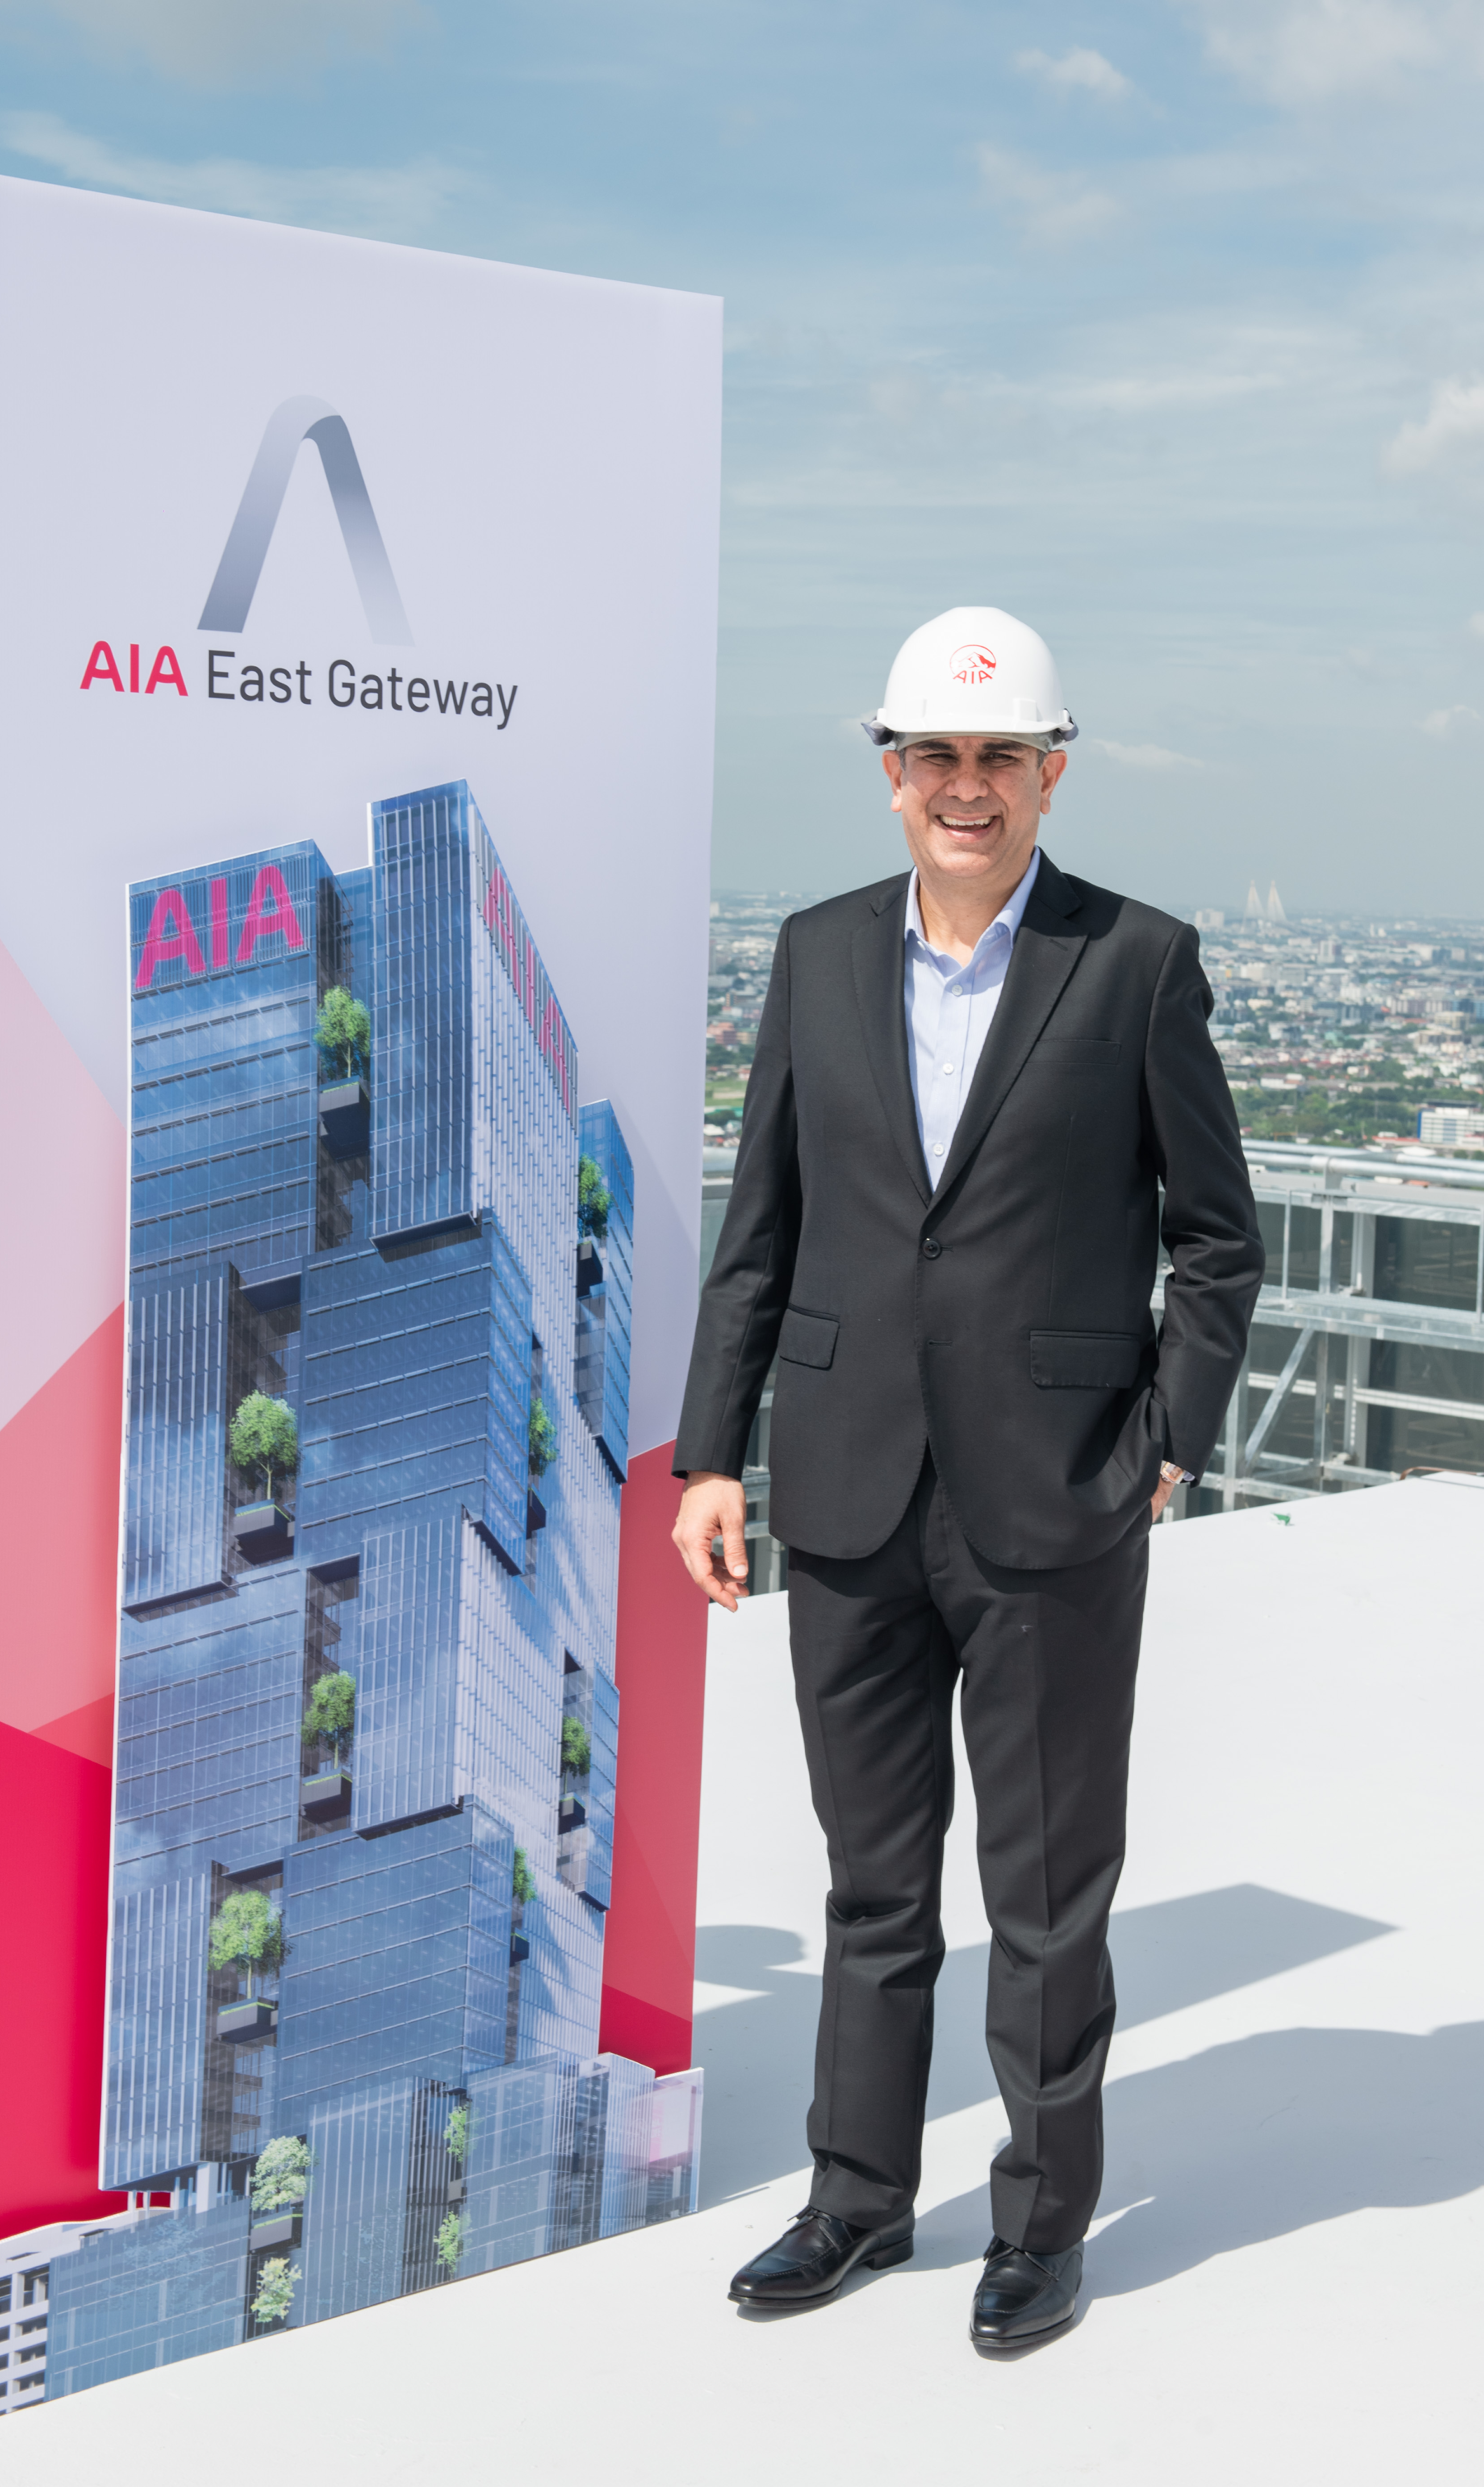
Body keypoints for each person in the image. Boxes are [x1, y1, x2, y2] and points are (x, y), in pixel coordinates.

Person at [672, 607, 1263, 2352]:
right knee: (869, 1881)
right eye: (933, 753)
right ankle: (854, 2200)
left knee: (1045, 1892)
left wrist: (1165, 1439)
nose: (965, 785)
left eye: (999, 756)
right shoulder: (814, 955)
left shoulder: (1134, 960)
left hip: (1053, 1495)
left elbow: (1217, 1239)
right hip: (847, 1484)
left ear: (1050, 773)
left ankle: (1039, 2223)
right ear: (888, 772)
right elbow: (758, 1229)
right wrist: (711, 1454)